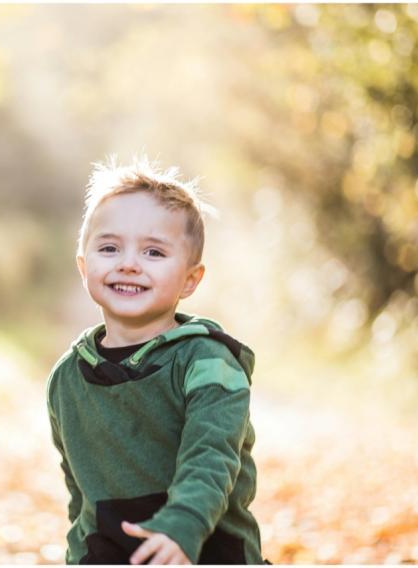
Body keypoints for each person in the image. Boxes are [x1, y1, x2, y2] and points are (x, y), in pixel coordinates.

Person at [46, 157, 264, 565]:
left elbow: (212, 455)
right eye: (109, 248)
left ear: (190, 280)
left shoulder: (207, 361)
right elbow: (81, 495)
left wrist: (182, 525)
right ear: (84, 266)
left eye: (153, 252)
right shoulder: (67, 378)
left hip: (207, 550)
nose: (128, 263)